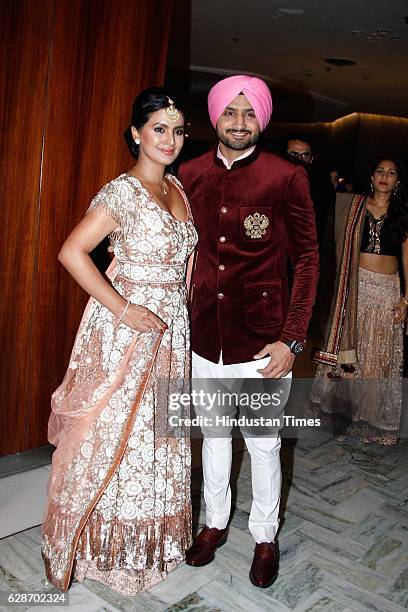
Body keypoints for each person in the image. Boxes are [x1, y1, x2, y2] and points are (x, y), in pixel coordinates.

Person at [41, 88, 197, 594]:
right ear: (136, 133)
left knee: (159, 437)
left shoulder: (178, 189)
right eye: (158, 129)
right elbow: (72, 252)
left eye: (177, 130)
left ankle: (149, 544)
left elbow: (185, 261)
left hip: (171, 327)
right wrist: (125, 309)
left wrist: (184, 310)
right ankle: (99, 549)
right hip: (126, 330)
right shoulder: (121, 193)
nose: (169, 140)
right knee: (112, 437)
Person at [178, 75, 319, 588]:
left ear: (264, 118)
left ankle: (264, 535)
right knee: (213, 437)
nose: (240, 123)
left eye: (250, 113)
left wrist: (292, 337)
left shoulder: (286, 177)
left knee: (261, 443)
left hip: (263, 343)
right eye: (230, 113)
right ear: (215, 117)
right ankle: (214, 523)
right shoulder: (187, 174)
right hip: (202, 337)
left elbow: (306, 260)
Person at [311, 157, 408, 446]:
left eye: (391, 173)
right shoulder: (353, 207)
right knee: (353, 352)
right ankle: (342, 416)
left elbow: (407, 257)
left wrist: (407, 299)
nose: (384, 176)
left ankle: (371, 422)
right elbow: (322, 206)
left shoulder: (403, 213)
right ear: (371, 177)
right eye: (379, 171)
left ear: (398, 182)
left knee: (378, 357)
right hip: (354, 288)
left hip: (387, 291)